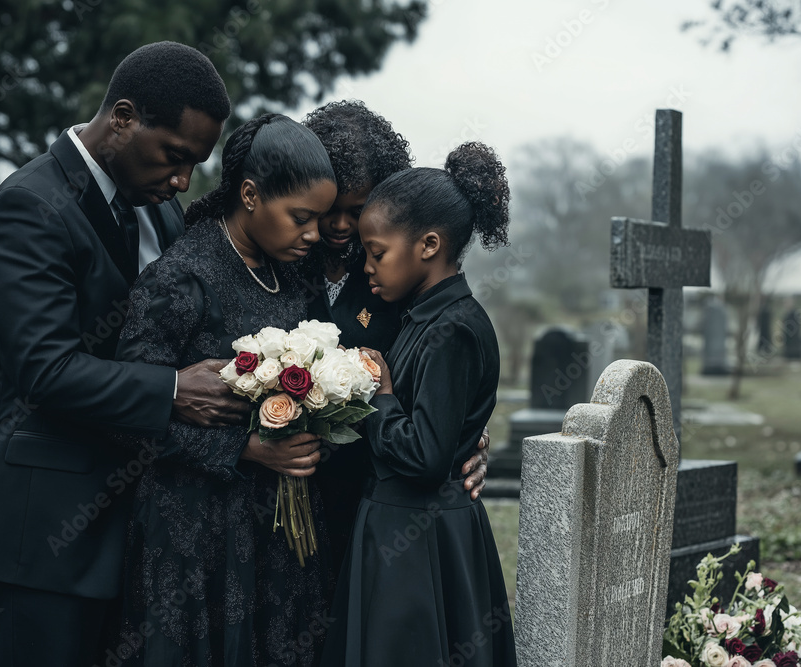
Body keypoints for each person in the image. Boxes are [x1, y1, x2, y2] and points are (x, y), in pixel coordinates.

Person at [0, 42, 249, 667]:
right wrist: (171, 390)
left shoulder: (160, 209)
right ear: (123, 118)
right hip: (43, 533)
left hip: (137, 528)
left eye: (195, 164)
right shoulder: (29, 206)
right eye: (174, 156)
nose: (182, 182)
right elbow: (44, 369)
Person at [114, 113, 338, 666]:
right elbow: (127, 417)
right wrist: (248, 448)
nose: (313, 234)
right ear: (250, 194)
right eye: (301, 218)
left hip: (282, 535)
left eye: (319, 220)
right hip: (194, 534)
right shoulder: (182, 278)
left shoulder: (299, 275)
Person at [321, 142, 517, 667]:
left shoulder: (451, 329)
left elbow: (428, 458)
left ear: (428, 244)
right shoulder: (422, 317)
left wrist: (380, 397)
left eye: (376, 252)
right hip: (397, 523)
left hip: (420, 536)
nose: (366, 267)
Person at [301, 100, 489, 573]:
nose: (342, 225)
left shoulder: (400, 276)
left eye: (357, 209)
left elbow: (441, 366)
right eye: (330, 208)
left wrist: (466, 436)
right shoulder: (283, 257)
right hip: (285, 490)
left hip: (377, 495)